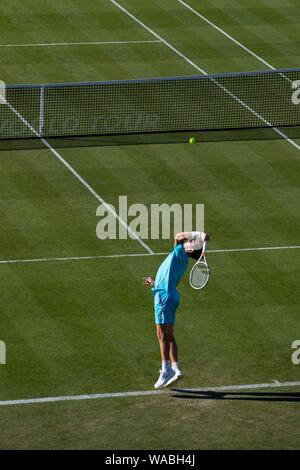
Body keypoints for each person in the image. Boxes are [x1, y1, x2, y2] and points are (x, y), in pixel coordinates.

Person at [144, 231, 209, 389]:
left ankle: (166, 371)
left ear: (190, 250)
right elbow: (168, 279)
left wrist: (199, 234)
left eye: (191, 243)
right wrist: (154, 283)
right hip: (169, 295)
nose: (189, 242)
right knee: (169, 335)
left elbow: (178, 235)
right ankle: (175, 368)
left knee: (161, 335)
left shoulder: (180, 252)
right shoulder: (181, 259)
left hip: (163, 297)